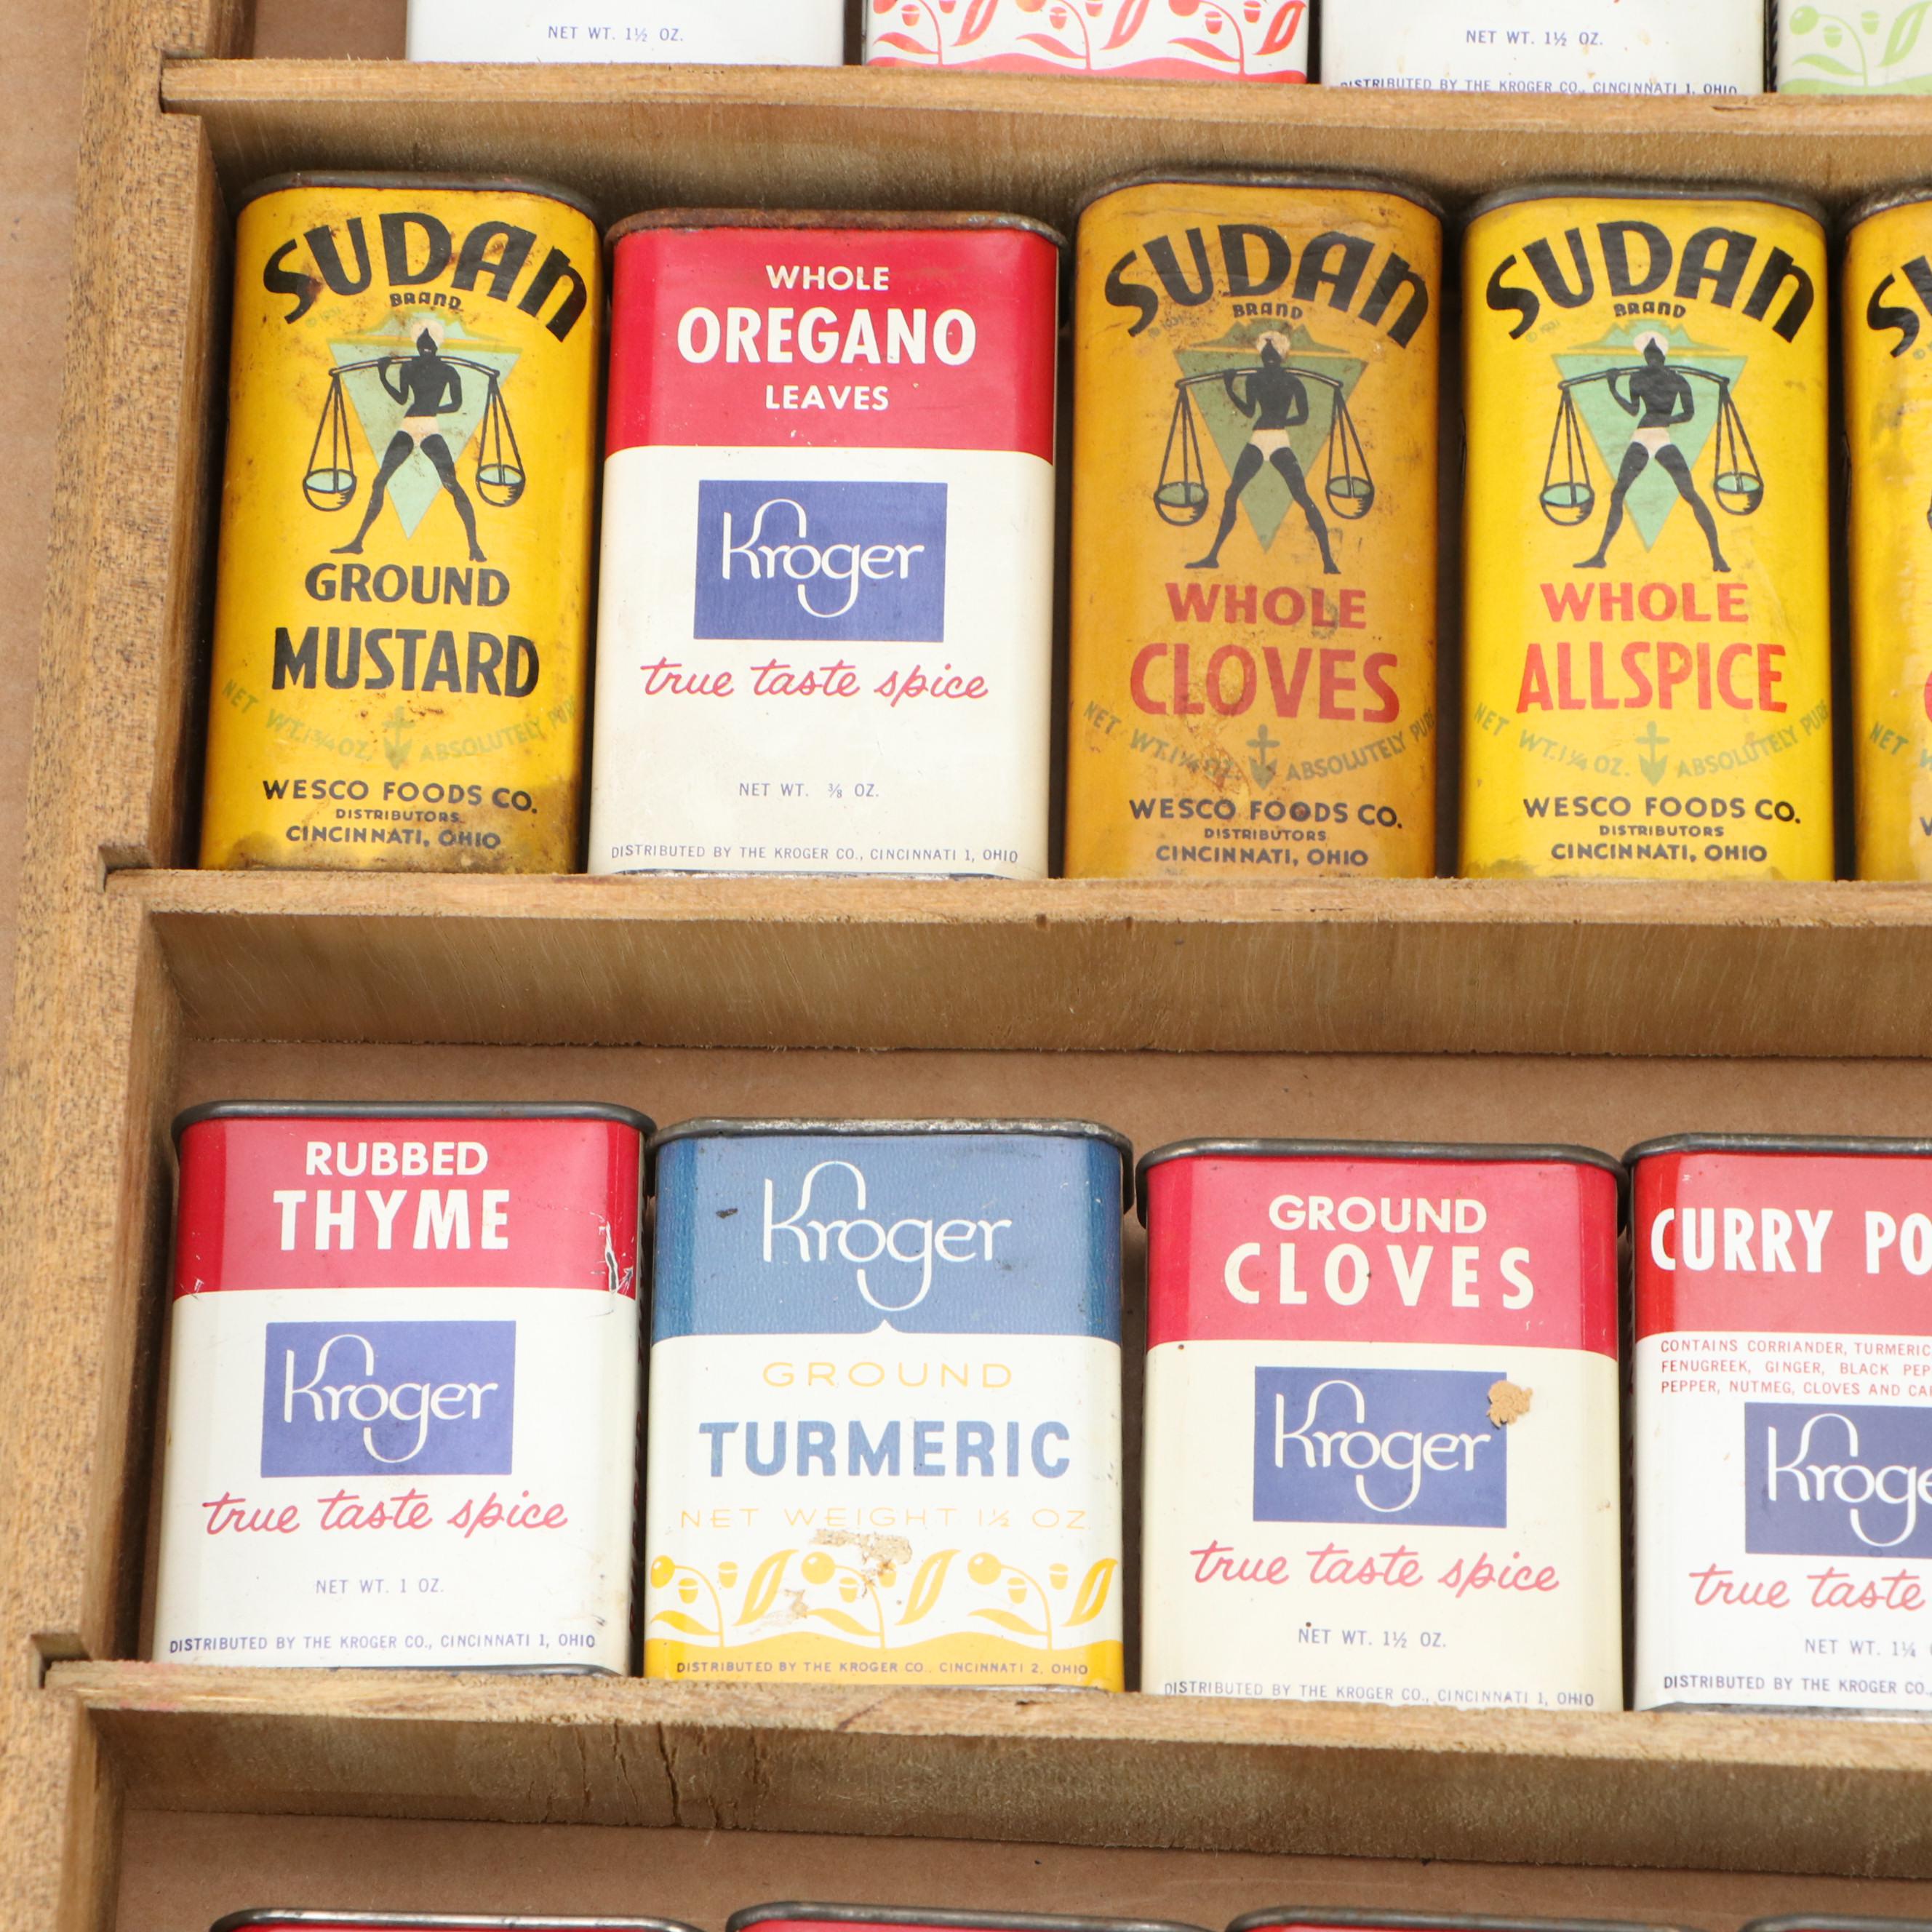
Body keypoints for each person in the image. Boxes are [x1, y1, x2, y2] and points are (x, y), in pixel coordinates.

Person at [333, 321, 486, 563]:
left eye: (429, 345)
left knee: (451, 483)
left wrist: (434, 407)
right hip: (408, 426)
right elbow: (402, 397)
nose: (425, 347)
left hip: (429, 427)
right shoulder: (409, 368)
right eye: (422, 344)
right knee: (380, 480)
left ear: (435, 347)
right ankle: (358, 542)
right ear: (417, 346)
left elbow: (457, 404)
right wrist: (383, 375)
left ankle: (474, 547)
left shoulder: (448, 371)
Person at [1577, 332, 1728, 572]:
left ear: (1663, 357)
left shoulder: (1679, 380)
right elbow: (1633, 409)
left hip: (1662, 436)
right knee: (1618, 493)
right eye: (1649, 356)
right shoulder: (1637, 378)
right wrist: (1612, 386)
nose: (1652, 360)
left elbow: (1689, 413)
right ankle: (1600, 556)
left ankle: (1717, 556)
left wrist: (1664, 418)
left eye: (1655, 356)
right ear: (1646, 357)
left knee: (1689, 492)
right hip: (1641, 436)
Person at [1188, 335, 1338, 575]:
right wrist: (1229, 387)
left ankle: (1328, 561)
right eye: (1265, 355)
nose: (1268, 358)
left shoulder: (1291, 382)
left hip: (1278, 439)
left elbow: (1303, 417)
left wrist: (1280, 420)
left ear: (1280, 358)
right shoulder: (1257, 379)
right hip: (1258, 439)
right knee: (1232, 492)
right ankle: (1213, 556)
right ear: (1262, 357)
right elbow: (1249, 412)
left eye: (1272, 355)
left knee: (1302, 496)